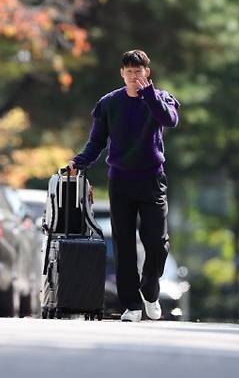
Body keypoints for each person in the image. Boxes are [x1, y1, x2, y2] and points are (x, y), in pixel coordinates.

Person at [68, 49, 180, 322]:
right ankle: (131, 305)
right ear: (122, 73)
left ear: (146, 73)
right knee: (124, 245)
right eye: (129, 72)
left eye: (138, 72)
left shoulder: (160, 98)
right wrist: (79, 162)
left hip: (152, 180)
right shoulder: (109, 103)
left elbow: (170, 120)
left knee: (157, 242)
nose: (133, 76)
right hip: (121, 181)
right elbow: (97, 141)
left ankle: (149, 290)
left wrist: (149, 96)